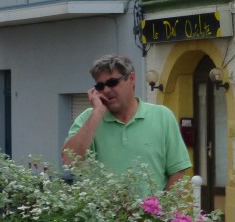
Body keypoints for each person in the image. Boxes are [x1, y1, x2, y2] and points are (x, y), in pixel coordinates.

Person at [61, 54, 191, 192]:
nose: (106, 90)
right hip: (104, 212)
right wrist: (97, 112)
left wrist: (161, 211)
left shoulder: (162, 116)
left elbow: (177, 171)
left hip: (151, 212)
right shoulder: (88, 118)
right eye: (100, 86)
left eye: (112, 83)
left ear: (131, 79)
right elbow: (69, 160)